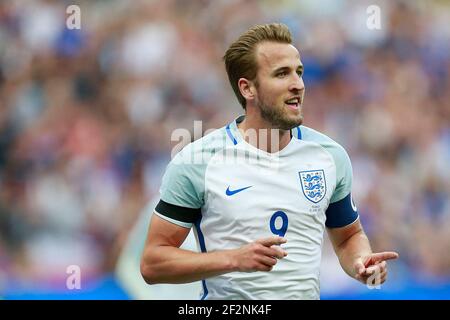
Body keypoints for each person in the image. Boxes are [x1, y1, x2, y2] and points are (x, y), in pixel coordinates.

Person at [140, 23, 398, 300]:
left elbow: (348, 236)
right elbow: (153, 263)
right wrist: (232, 259)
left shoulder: (329, 155)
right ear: (248, 88)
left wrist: (361, 262)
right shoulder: (198, 161)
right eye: (282, 74)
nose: (298, 84)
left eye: (299, 72)